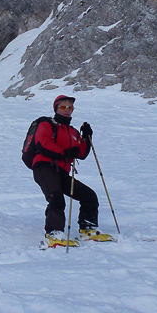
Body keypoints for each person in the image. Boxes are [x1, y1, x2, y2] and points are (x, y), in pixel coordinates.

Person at [31, 95, 111, 246]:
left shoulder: (72, 132)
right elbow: (43, 144)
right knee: (56, 197)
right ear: (56, 108)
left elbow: (81, 153)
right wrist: (65, 152)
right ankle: (54, 234)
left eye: (70, 107)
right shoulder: (46, 124)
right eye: (63, 107)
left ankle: (88, 230)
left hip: (61, 171)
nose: (67, 110)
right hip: (44, 166)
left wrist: (87, 137)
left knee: (89, 196)